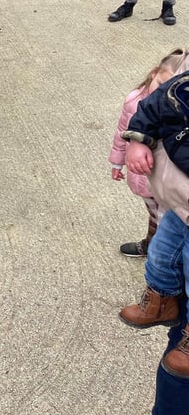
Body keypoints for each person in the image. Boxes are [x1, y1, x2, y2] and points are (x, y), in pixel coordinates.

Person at [119, 50, 189, 378]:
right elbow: (155, 103)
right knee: (161, 253)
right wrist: (137, 140)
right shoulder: (181, 81)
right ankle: (161, 301)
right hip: (178, 203)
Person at [109, 49, 187, 257]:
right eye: (161, 85)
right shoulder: (133, 101)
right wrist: (117, 163)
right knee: (153, 214)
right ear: (153, 73)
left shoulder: (177, 109)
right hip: (141, 178)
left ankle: (162, 257)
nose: (161, 94)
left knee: (168, 222)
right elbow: (121, 134)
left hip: (166, 183)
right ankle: (150, 244)